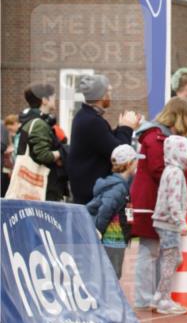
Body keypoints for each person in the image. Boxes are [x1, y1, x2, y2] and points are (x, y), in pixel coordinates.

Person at [130, 97, 187, 308]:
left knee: (157, 250)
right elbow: (160, 170)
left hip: (156, 200)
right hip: (152, 201)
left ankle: (156, 295)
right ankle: (146, 297)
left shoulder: (157, 136)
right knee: (150, 250)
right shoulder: (157, 138)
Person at [68, 74, 139, 204]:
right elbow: (119, 155)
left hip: (88, 192)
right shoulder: (92, 121)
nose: (110, 97)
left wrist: (121, 128)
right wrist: (127, 128)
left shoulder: (84, 116)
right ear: (102, 96)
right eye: (109, 92)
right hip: (92, 196)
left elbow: (104, 143)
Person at [87, 144, 144, 278]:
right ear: (129, 163)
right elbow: (106, 208)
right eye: (136, 160)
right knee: (112, 274)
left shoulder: (119, 185)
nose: (137, 164)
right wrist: (98, 231)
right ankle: (109, 298)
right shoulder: (118, 188)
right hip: (113, 239)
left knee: (111, 272)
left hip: (115, 238)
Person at [151, 135, 187, 315]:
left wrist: (185, 207)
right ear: (178, 153)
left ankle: (160, 296)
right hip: (169, 223)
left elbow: (172, 198)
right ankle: (163, 299)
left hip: (165, 221)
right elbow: (172, 201)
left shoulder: (170, 170)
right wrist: (180, 221)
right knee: (170, 260)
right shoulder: (176, 173)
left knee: (174, 259)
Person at [15, 84, 68, 201]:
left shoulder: (30, 120)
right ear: (44, 100)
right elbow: (43, 155)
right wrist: (64, 150)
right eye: (53, 97)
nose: (55, 100)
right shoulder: (39, 123)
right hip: (44, 188)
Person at [2, 114, 20, 196]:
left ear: (15, 123)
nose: (10, 132)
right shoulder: (16, 135)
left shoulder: (21, 135)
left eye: (10, 129)